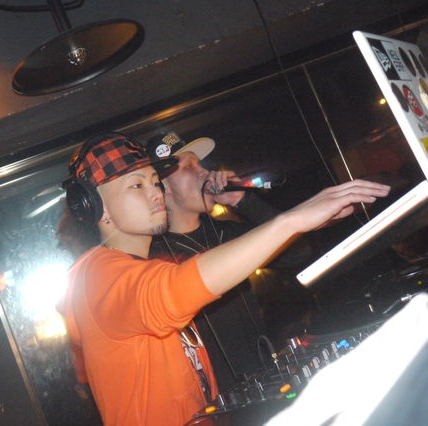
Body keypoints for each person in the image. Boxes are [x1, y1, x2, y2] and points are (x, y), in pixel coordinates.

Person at [56, 131, 390, 426]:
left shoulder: (137, 267)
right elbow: (172, 290)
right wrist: (289, 221)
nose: (155, 192)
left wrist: (258, 208)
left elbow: (296, 254)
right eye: (136, 185)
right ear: (96, 208)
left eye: (154, 181)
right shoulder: (95, 277)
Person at [146, 130, 313, 391]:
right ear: (162, 187)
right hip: (216, 399)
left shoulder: (226, 233)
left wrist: (243, 201)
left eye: (200, 164)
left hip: (269, 381)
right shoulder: (154, 258)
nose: (204, 172)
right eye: (189, 167)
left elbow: (298, 252)